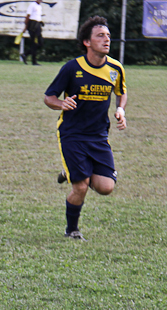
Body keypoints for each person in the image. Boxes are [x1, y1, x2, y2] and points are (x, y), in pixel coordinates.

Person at [44, 16, 127, 241]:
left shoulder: (115, 68)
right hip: (72, 134)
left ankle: (69, 171)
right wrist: (61, 103)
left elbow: (121, 91)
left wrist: (120, 110)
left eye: (108, 36)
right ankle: (72, 230)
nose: (106, 39)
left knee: (106, 187)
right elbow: (49, 97)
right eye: (100, 36)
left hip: (99, 136)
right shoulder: (72, 68)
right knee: (81, 187)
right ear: (87, 42)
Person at [20, 0, 43, 65]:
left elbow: (37, 16)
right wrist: (26, 27)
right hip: (32, 25)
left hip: (37, 24)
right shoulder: (32, 5)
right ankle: (34, 61)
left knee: (40, 43)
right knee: (34, 43)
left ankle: (25, 54)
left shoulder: (39, 6)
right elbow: (28, 16)